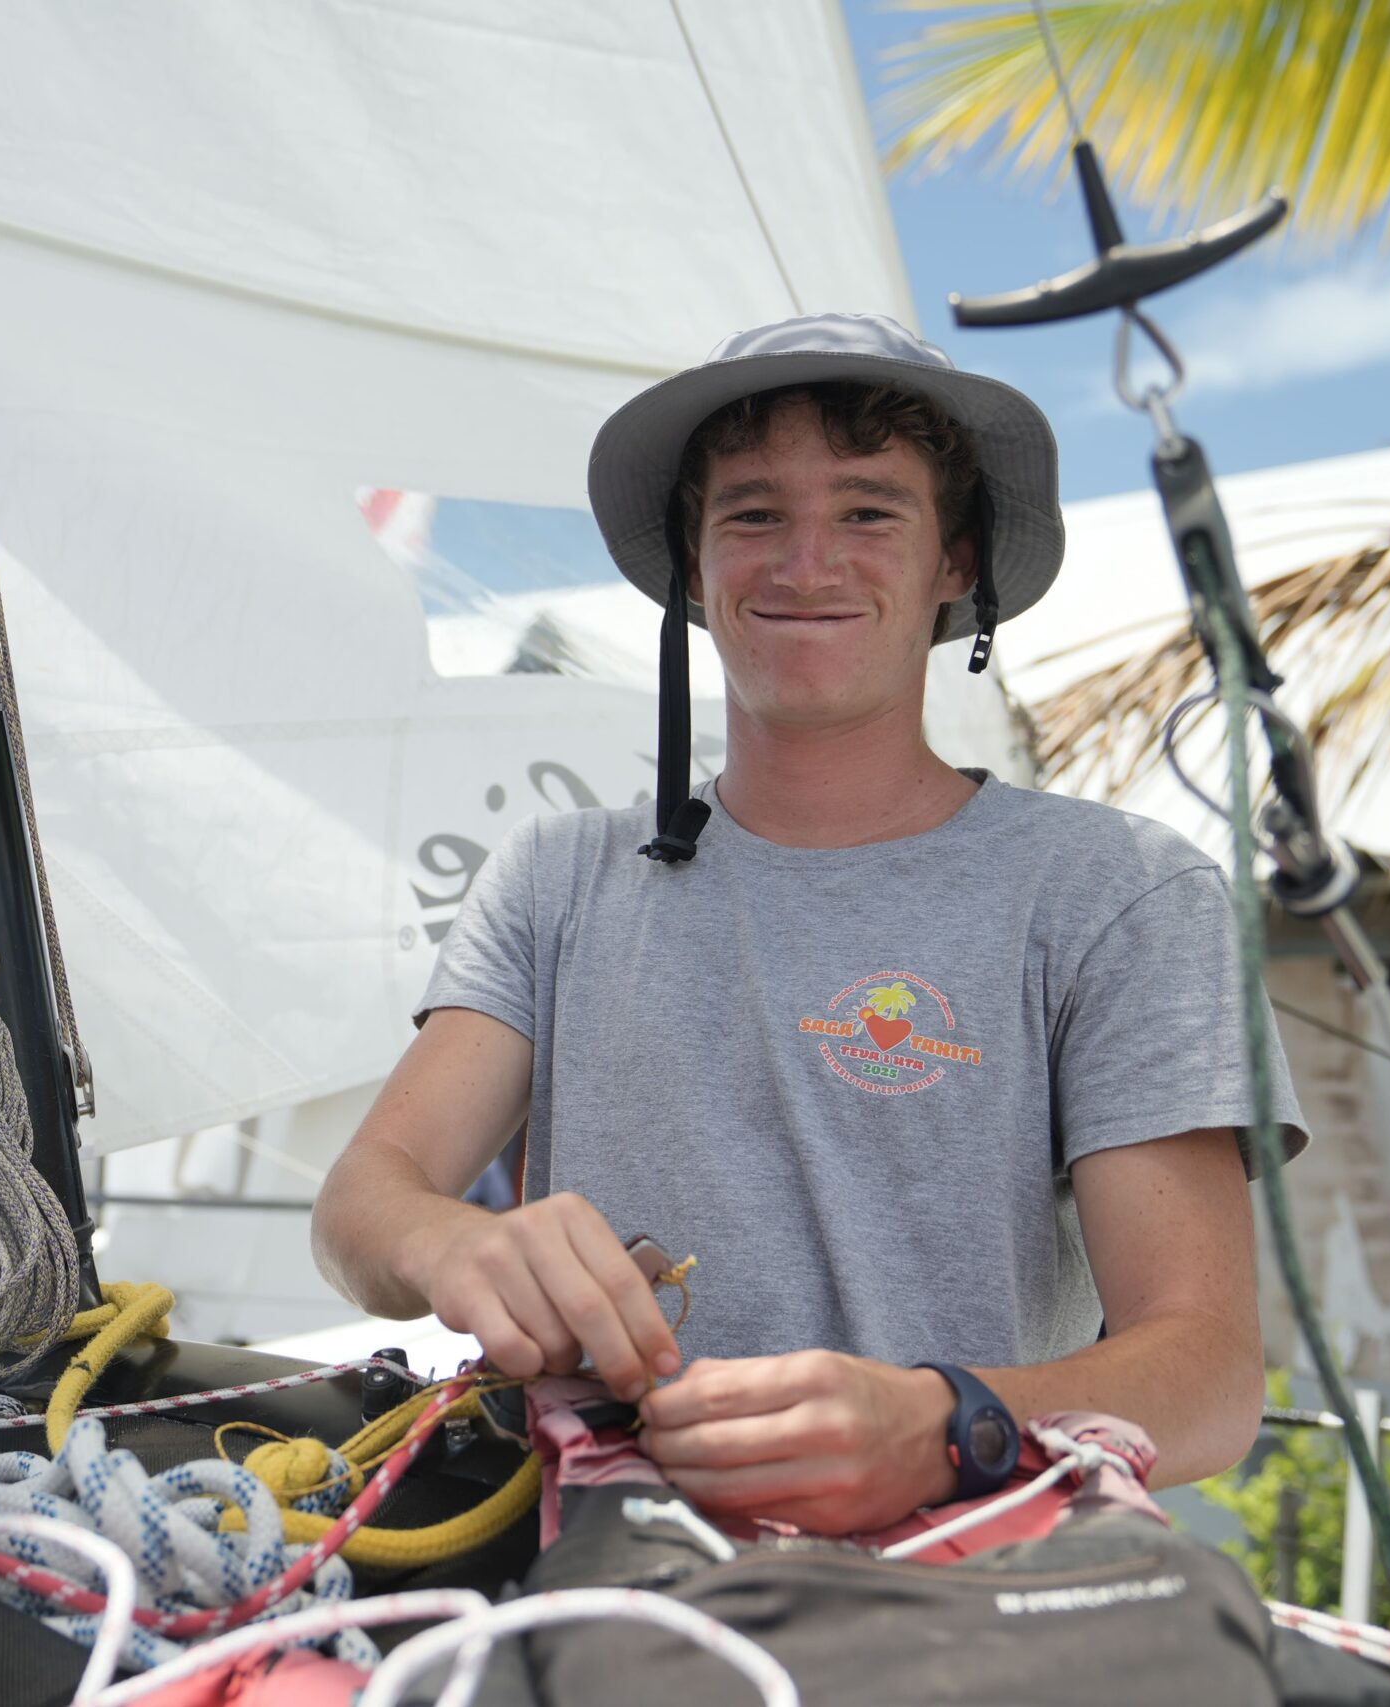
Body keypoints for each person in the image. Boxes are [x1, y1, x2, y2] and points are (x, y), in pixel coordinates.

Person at [311, 313, 1306, 1538]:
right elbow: (362, 1204)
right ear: (691, 566)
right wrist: (454, 1246)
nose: (805, 562)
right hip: (600, 1574)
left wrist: (942, 1426)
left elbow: (1209, 1378)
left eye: (869, 512)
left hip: (953, 1592)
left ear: (955, 561)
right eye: (751, 515)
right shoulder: (555, 878)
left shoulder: (1121, 895)